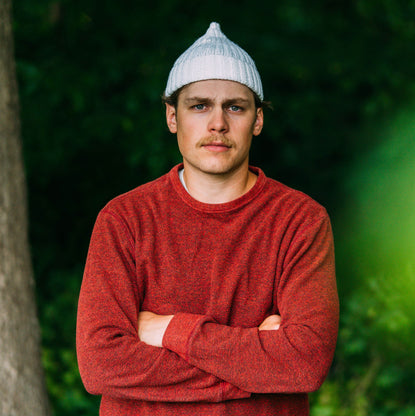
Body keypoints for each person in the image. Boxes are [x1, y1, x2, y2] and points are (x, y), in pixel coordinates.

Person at [76, 22, 339, 416]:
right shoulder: (124, 220)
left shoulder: (300, 221)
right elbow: (101, 366)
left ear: (258, 120)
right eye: (199, 105)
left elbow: (304, 363)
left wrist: (168, 331)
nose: (217, 123)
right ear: (172, 117)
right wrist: (254, 359)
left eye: (235, 106)